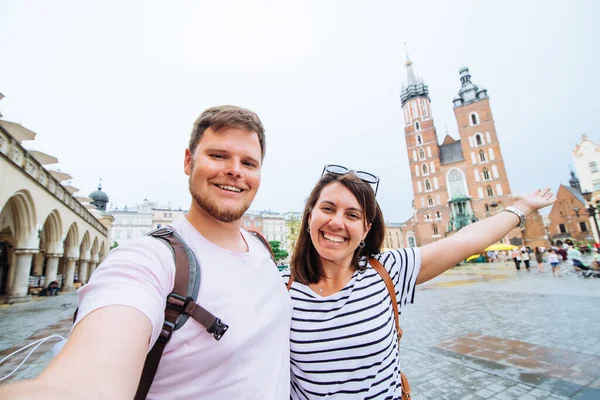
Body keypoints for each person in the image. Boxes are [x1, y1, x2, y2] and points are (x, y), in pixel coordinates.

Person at [0, 106, 292, 399]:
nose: (235, 170)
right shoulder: (149, 261)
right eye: (218, 156)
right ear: (188, 162)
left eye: (249, 163)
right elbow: (87, 379)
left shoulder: (260, 247)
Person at [283, 166, 555, 399]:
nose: (336, 222)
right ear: (309, 216)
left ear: (366, 229)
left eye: (352, 215)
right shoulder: (280, 288)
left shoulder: (388, 271)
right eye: (327, 208)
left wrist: (521, 208)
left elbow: (467, 239)